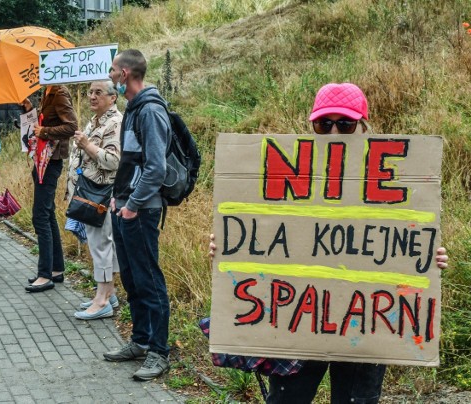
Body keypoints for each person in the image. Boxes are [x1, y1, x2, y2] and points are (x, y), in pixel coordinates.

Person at [208, 82, 450, 403]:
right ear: (312, 127)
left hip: (362, 326)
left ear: (364, 126)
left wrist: (428, 261)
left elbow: (403, 244)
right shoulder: (291, 176)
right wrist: (229, 251)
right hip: (300, 319)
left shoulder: (393, 180)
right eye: (325, 124)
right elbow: (265, 240)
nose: (335, 132)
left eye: (345, 124)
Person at [102, 49, 172, 381]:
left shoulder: (151, 111)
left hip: (142, 211)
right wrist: (119, 199)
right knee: (132, 280)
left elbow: (156, 168)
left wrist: (133, 204)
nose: (111, 75)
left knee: (149, 281)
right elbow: (131, 161)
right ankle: (141, 340)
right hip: (126, 207)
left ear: (126, 72)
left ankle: (159, 351)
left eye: (114, 70)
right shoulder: (132, 109)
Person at [67, 80, 122, 320]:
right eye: (90, 92)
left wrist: (87, 145)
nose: (92, 96)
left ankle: (102, 301)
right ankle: (108, 293)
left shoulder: (115, 123)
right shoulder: (95, 120)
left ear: (113, 97)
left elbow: (114, 161)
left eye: (98, 92)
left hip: (101, 194)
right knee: (101, 244)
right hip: (89, 192)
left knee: (101, 245)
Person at [23, 85, 78, 292]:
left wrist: (44, 131)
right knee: (48, 213)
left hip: (52, 160)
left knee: (40, 215)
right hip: (42, 159)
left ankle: (44, 275)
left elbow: (71, 126)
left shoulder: (59, 92)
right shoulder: (48, 92)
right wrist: (29, 110)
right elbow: (45, 121)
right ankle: (56, 268)